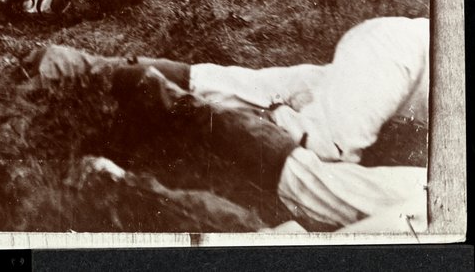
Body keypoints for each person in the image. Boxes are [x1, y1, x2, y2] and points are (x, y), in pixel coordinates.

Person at [24, 16, 429, 231]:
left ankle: (89, 70)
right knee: (317, 163)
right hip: (401, 58)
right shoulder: (399, 48)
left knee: (253, 88)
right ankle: (150, 97)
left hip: (403, 67)